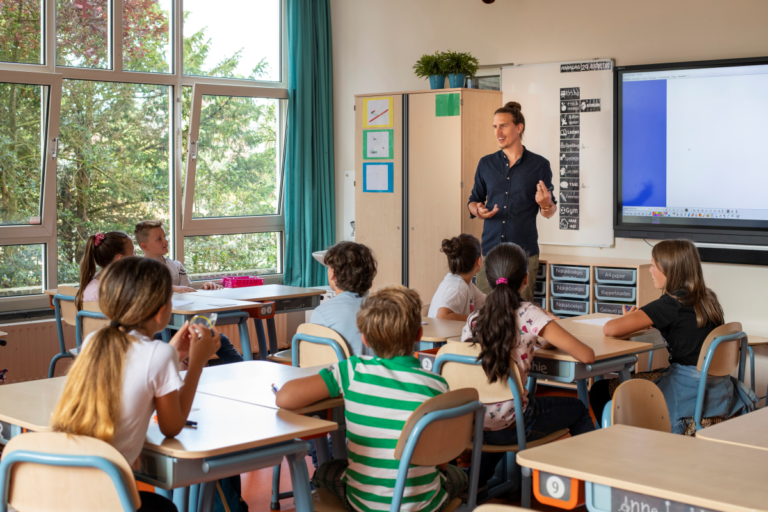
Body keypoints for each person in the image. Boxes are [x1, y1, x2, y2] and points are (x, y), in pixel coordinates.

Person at [50, 257, 220, 512]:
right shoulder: (158, 354)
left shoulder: (94, 340)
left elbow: (138, 364)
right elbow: (171, 426)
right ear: (162, 310)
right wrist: (196, 363)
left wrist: (172, 353)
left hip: (66, 490)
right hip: (106, 497)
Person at [276, 286, 467, 512]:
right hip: (423, 505)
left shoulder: (352, 371)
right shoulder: (437, 385)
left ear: (364, 338)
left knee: (325, 471)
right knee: (458, 476)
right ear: (419, 334)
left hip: (364, 504)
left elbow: (285, 398)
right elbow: (441, 460)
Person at [591, 239, 758, 435]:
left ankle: (617, 442)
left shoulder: (669, 304)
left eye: (654, 265)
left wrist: (630, 318)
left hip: (687, 392)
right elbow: (687, 327)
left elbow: (610, 329)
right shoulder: (708, 299)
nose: (650, 270)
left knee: (599, 390)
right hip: (718, 392)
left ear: (669, 269)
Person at [461, 243, 595, 485]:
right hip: (514, 424)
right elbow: (587, 356)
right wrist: (548, 327)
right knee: (579, 410)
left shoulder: (474, 318)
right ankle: (593, 485)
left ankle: (473, 483)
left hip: (476, 422)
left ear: (487, 279)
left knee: (501, 409)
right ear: (525, 278)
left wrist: (541, 338)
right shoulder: (530, 313)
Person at [467, 101, 557, 300]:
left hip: (524, 253)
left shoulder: (539, 165)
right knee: (486, 312)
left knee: (522, 314)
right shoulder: (486, 163)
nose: (497, 131)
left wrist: (545, 204)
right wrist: (477, 210)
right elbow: (474, 200)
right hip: (491, 252)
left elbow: (550, 211)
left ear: (519, 127)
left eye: (503, 125)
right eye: (495, 126)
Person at [134, 220, 243, 364]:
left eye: (165, 236)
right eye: (159, 239)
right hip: (158, 330)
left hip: (183, 324)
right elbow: (145, 292)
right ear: (144, 246)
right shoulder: (138, 269)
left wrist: (203, 288)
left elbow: (188, 294)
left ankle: (246, 370)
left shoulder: (176, 265)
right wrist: (172, 288)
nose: (165, 241)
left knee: (220, 340)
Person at [311, 241, 377, 356]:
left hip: (344, 373)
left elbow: (314, 358)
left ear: (333, 273)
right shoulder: (387, 309)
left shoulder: (322, 314)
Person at [428, 234, 486, 321]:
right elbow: (442, 316)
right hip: (444, 334)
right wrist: (476, 319)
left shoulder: (466, 285)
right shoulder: (458, 286)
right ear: (479, 261)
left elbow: (488, 302)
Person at [76, 231, 135, 309]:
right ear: (120, 259)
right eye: (133, 251)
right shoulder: (102, 292)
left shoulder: (103, 284)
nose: (135, 254)